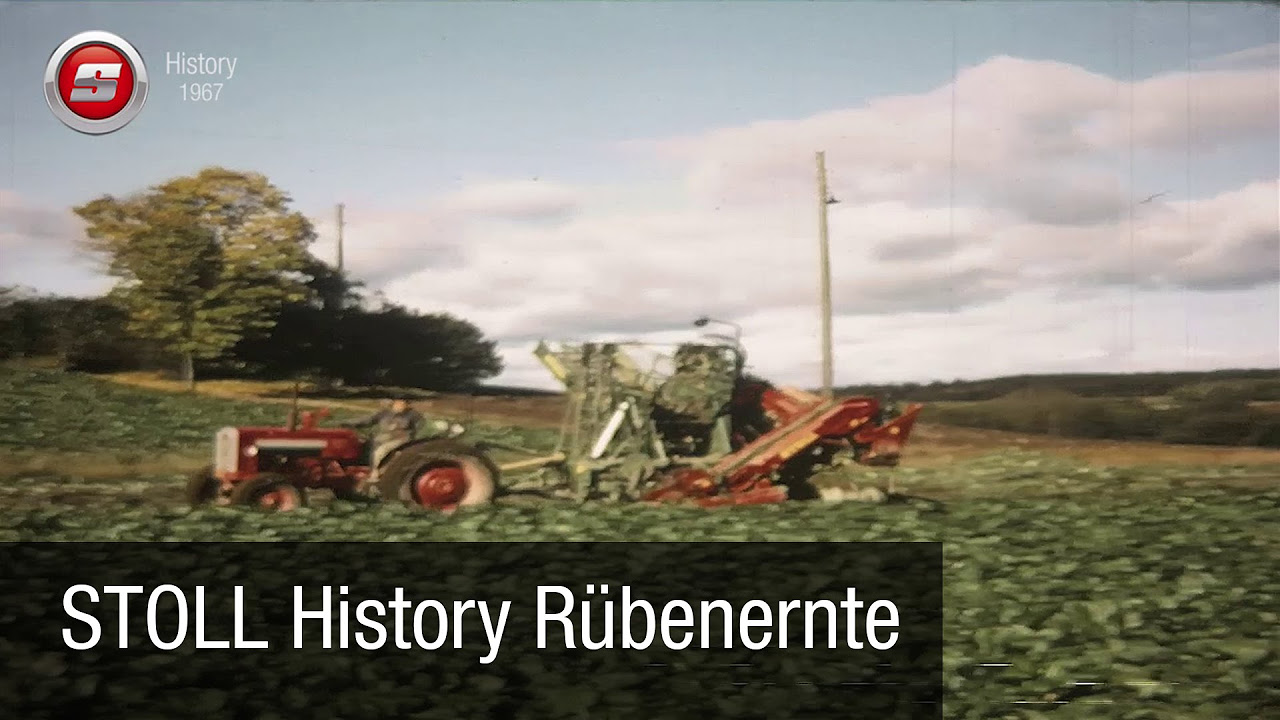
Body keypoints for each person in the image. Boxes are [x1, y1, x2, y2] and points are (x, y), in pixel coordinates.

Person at [346, 398, 425, 488]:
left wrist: (413, 438)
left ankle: (375, 473)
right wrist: (350, 423)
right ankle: (359, 470)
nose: (400, 405)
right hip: (382, 438)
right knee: (363, 445)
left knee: (380, 451)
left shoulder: (413, 415)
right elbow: (368, 420)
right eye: (398, 402)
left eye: (403, 403)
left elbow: (420, 427)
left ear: (407, 405)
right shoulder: (384, 413)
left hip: (400, 439)